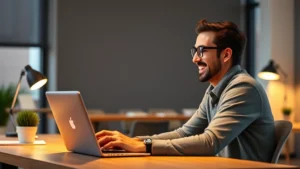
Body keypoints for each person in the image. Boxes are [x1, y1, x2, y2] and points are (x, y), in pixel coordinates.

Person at [95, 19, 276, 162]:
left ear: (226, 54)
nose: (195, 59)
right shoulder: (215, 89)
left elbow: (210, 142)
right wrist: (134, 141)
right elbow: (184, 133)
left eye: (202, 50)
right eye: (195, 51)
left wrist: (146, 146)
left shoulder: (243, 88)